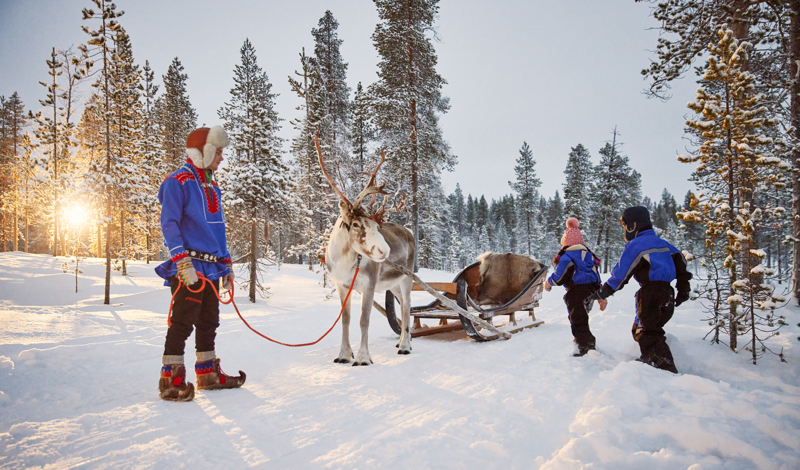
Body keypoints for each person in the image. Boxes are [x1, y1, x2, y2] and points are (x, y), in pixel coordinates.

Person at [155, 125, 245, 401]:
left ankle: (207, 374)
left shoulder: (212, 185)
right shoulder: (177, 181)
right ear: (203, 152)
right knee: (182, 321)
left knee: (209, 320)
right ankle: (170, 379)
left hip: (211, 266)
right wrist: (181, 262)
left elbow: (218, 228)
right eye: (217, 152)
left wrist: (226, 264)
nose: (221, 158)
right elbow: (169, 223)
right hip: (189, 266)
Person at [589, 206, 692, 373]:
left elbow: (622, 272)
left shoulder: (636, 245)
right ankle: (651, 359)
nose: (624, 231)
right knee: (645, 328)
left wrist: (604, 291)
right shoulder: (665, 245)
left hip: (651, 293)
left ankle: (663, 366)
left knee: (647, 331)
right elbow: (681, 263)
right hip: (668, 293)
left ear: (632, 226)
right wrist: (683, 289)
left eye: (625, 226)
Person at [543, 218, 607, 356]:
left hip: (576, 293)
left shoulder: (567, 256)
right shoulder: (589, 256)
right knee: (581, 317)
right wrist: (601, 296)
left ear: (565, 244)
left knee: (577, 319)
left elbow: (559, 277)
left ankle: (586, 345)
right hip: (590, 292)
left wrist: (548, 283)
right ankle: (582, 340)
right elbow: (596, 276)